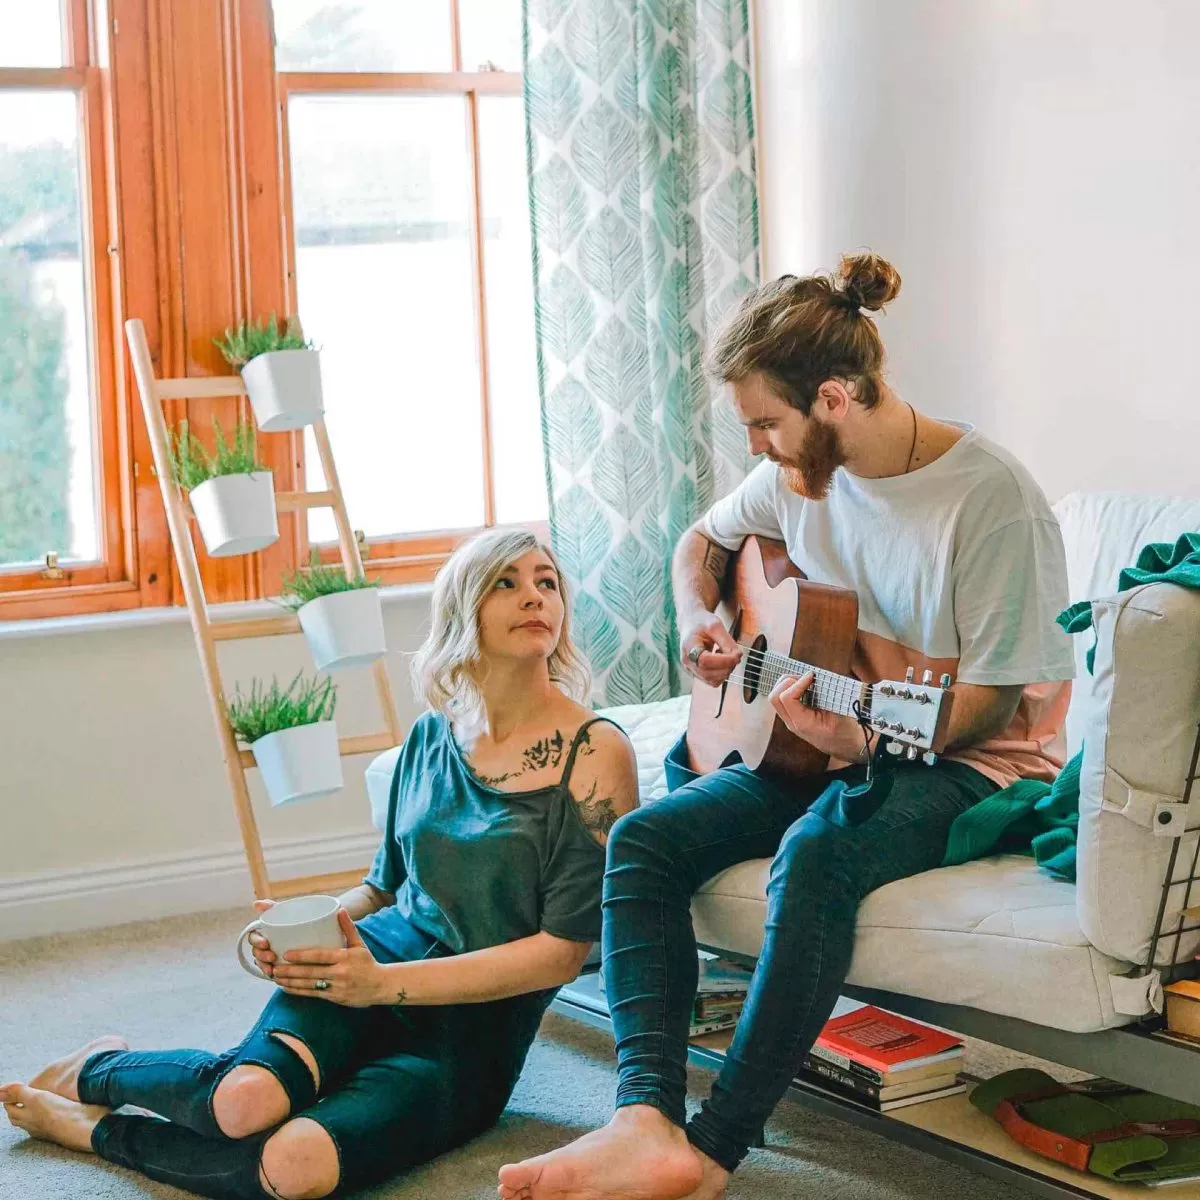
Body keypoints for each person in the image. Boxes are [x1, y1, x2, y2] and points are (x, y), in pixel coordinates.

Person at [497, 252, 1077, 1200]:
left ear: (836, 399)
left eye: (766, 423)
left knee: (816, 854)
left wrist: (866, 742)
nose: (758, 447)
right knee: (642, 841)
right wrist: (701, 617)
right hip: (828, 743)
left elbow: (988, 706)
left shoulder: (991, 501)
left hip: (974, 765)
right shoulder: (801, 479)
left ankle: (711, 1151)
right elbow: (702, 541)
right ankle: (644, 1118)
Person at [1, 529, 638, 1200]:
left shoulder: (595, 753)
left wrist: (382, 987)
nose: (535, 597)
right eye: (506, 582)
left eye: (546, 582)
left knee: (294, 1167)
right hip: (369, 963)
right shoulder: (431, 733)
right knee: (242, 1103)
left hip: (471, 1030)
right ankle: (100, 1067)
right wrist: (304, 929)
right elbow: (382, 887)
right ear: (463, 609)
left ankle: (92, 1130)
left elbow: (561, 955)